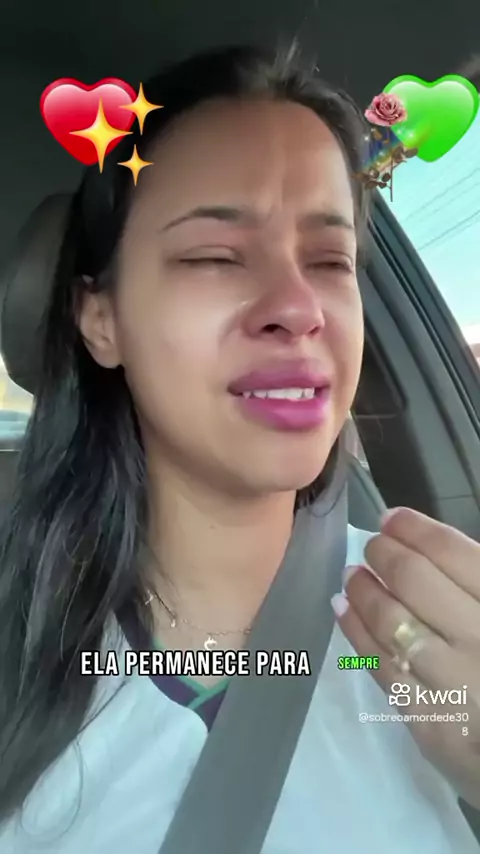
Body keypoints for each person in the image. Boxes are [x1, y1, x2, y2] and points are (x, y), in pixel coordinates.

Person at [0, 43, 479, 854]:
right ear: (101, 320)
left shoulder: (440, 636)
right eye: (214, 257)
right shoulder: (21, 638)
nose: (299, 306)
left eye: (329, 260)